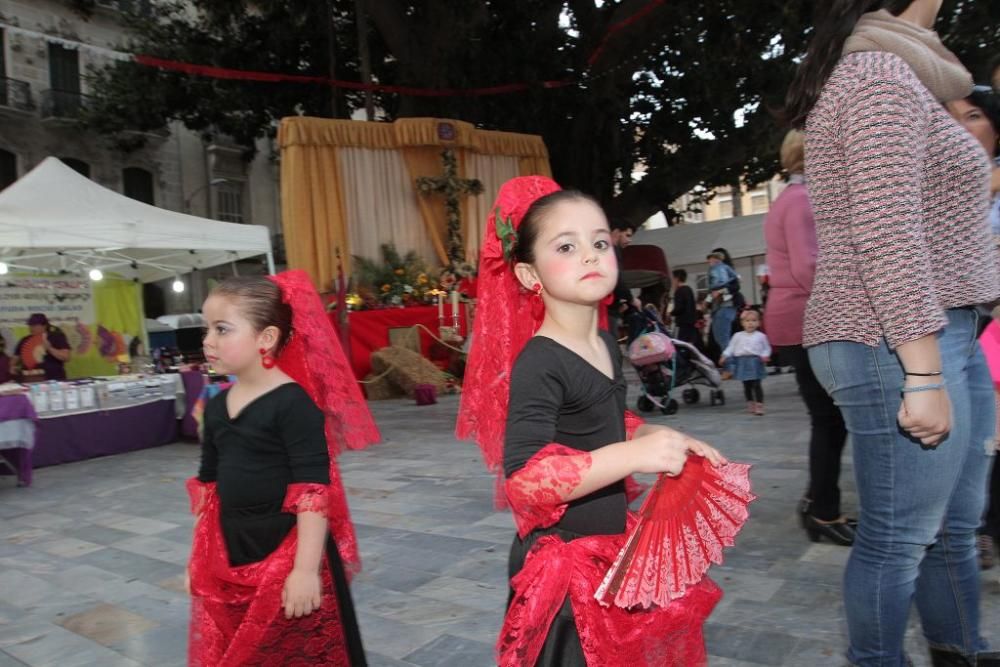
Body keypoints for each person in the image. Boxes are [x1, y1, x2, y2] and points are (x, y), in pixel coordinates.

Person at [784, 1, 1000, 664]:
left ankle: (958, 649)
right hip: (892, 335)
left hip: (945, 329)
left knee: (954, 528)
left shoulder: (909, 72)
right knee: (898, 536)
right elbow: (887, 232)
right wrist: (925, 371)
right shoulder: (880, 73)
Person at [456, 176, 729, 666]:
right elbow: (526, 479)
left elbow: (604, 420)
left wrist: (653, 433)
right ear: (527, 276)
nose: (590, 254)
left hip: (609, 547)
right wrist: (632, 455)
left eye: (600, 242)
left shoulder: (603, 343)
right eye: (567, 245)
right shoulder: (540, 361)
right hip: (565, 571)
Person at [186, 271, 379, 666]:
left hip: (285, 551)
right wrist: (198, 559)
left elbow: (312, 491)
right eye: (206, 329)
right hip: (234, 551)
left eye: (222, 329)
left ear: (266, 338)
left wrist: (305, 571)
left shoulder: (293, 404)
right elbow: (209, 486)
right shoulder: (219, 406)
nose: (208, 341)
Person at [764, 129, 855, 547]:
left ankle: (818, 500)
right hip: (808, 317)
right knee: (831, 420)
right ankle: (823, 511)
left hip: (797, 318)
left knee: (829, 419)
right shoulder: (802, 201)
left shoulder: (787, 198)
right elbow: (809, 267)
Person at [948, 85, 1000, 571]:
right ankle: (981, 526)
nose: (961, 126)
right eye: (951, 116)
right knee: (983, 443)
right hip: (976, 337)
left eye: (975, 115)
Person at [719, 309, 771, 416]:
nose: (750, 323)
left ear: (758, 323)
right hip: (742, 362)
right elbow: (731, 347)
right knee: (747, 385)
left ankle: (759, 405)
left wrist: (765, 355)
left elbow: (766, 348)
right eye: (747, 321)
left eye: (753, 320)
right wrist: (725, 355)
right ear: (742, 323)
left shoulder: (761, 336)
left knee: (757, 384)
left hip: (756, 361)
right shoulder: (737, 336)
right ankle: (750, 403)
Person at [705, 251, 742, 378]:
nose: (709, 262)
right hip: (719, 308)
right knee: (721, 338)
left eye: (711, 259)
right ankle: (733, 366)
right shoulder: (720, 272)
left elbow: (736, 286)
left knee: (723, 338)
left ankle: (730, 368)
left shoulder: (725, 272)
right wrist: (708, 301)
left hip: (725, 308)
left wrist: (720, 292)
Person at [10, 313, 71, 381]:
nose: (31, 328)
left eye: (34, 325)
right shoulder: (24, 340)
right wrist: (13, 366)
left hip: (54, 380)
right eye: (30, 325)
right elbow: (14, 359)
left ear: (44, 326)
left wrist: (49, 348)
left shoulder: (57, 337)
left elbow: (66, 357)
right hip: (30, 380)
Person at [607, 221, 641, 339]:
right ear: (616, 232)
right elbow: (616, 279)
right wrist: (631, 299)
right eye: (627, 235)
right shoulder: (612, 251)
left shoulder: (605, 250)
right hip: (607, 310)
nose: (629, 240)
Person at [671, 268, 700, 348]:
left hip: (682, 323)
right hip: (691, 322)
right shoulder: (689, 289)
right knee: (690, 344)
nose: (672, 281)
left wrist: (670, 313)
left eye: (673, 278)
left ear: (677, 278)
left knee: (681, 343)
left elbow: (679, 308)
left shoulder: (679, 291)